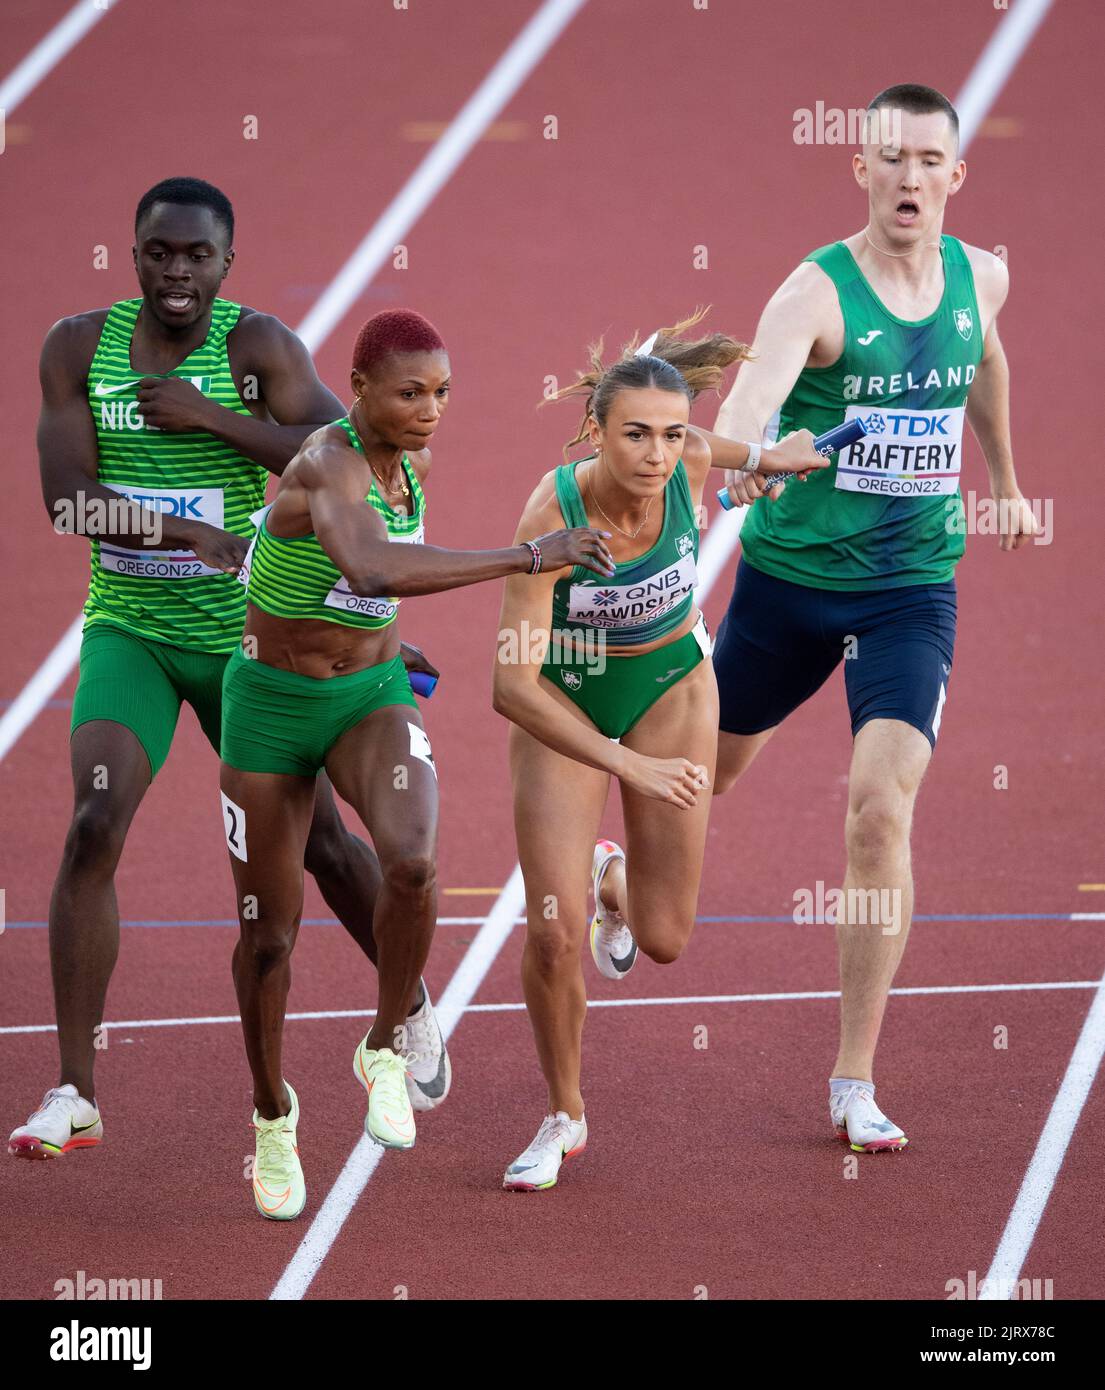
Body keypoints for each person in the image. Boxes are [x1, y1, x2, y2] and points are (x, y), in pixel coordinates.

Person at [9, 178, 432, 1160]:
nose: (177, 273)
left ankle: (407, 1005)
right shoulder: (78, 349)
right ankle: (75, 1088)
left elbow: (350, 452)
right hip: (134, 632)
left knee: (325, 846)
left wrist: (211, 419)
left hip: (252, 644)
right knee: (91, 821)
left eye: (197, 257)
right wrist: (179, 530)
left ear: (225, 265)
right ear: (135, 253)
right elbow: (66, 502)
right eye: (160, 252)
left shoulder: (259, 351)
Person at [221, 308, 616, 1219]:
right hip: (271, 708)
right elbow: (365, 568)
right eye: (409, 392)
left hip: (368, 697)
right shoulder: (324, 461)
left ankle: (385, 1046)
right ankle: (272, 1116)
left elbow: (375, 590)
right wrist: (529, 554)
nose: (431, 409)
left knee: (411, 860)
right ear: (358, 390)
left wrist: (394, 648)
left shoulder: (415, 463)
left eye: (441, 392)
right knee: (269, 935)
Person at [711, 85, 1039, 1152]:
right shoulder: (815, 294)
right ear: (860, 168)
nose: (907, 177)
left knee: (877, 810)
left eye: (926, 160)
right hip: (789, 583)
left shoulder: (979, 276)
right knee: (698, 779)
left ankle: (852, 1077)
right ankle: (621, 877)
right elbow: (744, 404)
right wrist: (755, 458)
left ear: (955, 175)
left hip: (908, 591)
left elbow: (984, 355)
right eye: (888, 158)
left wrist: (1006, 477)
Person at [492, 313, 826, 1189]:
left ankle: (613, 878)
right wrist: (624, 766)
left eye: (670, 435)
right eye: (633, 434)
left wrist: (765, 458)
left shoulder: (690, 461)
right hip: (562, 701)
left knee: (665, 937)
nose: (655, 454)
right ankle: (563, 1114)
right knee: (552, 932)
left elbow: (708, 442)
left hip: (672, 687)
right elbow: (511, 688)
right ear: (596, 432)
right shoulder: (551, 511)